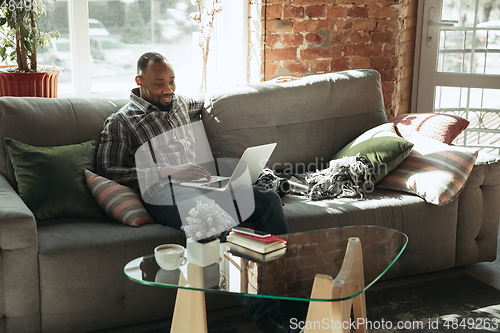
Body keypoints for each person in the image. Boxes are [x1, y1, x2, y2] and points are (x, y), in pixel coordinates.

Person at [96, 52, 303, 333]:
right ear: (139, 81)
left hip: (204, 184)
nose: (168, 90)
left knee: (267, 199)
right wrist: (170, 171)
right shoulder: (122, 122)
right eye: (159, 84)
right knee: (213, 220)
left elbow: (212, 100)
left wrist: (271, 84)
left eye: (172, 81)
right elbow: (108, 170)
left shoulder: (180, 103)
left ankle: (297, 305)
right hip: (164, 193)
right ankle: (268, 316)